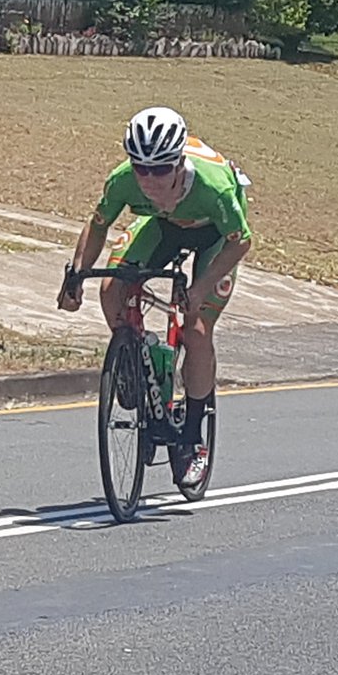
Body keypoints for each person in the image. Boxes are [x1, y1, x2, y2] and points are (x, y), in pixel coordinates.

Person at [58, 105, 252, 489]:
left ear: (179, 162)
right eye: (140, 168)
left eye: (160, 169)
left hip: (217, 239)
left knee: (195, 330)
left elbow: (240, 241)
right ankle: (136, 353)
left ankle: (193, 437)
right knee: (112, 286)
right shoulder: (123, 180)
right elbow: (98, 226)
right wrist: (77, 272)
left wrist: (200, 287)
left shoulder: (215, 187)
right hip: (164, 226)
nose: (149, 179)